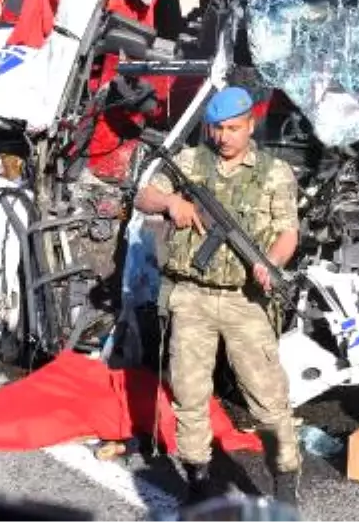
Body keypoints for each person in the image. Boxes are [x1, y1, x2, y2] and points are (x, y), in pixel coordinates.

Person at [134, 86, 302, 507]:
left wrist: (271, 263)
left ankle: (285, 481)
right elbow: (143, 195)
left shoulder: (275, 173)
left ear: (250, 125)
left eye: (233, 128)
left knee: (267, 400)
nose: (224, 137)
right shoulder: (190, 162)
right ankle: (197, 482)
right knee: (189, 396)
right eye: (217, 128)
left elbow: (288, 232)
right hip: (191, 297)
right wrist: (171, 201)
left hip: (246, 301)